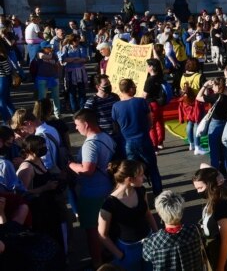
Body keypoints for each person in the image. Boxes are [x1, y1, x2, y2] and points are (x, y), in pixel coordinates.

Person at [70, 108, 116, 269]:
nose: (75, 128)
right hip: (107, 189)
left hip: (92, 193)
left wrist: (71, 165)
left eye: (77, 125)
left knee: (92, 230)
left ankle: (97, 263)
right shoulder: (105, 137)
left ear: (86, 124)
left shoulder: (90, 145)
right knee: (107, 227)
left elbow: (87, 170)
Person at [98, 160, 158, 271]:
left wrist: (157, 234)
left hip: (150, 244)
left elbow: (148, 214)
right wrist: (120, 255)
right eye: (140, 175)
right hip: (128, 250)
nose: (144, 177)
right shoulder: (109, 204)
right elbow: (102, 235)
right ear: (130, 180)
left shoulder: (141, 191)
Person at [111, 78, 163, 195]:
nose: (135, 88)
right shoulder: (141, 102)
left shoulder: (116, 106)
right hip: (143, 139)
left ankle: (136, 196)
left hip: (127, 143)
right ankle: (158, 194)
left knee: (132, 171)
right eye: (134, 86)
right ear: (130, 89)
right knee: (153, 169)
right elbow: (150, 120)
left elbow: (116, 127)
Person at [15, 135, 63, 249]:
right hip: (39, 212)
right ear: (31, 149)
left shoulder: (39, 160)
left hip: (49, 207)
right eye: (40, 146)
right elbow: (22, 193)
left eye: (43, 145)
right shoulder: (26, 167)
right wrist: (45, 187)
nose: (44, 148)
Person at [142, 190, 207, 271]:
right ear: (181, 211)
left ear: (159, 213)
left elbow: (146, 257)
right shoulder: (195, 231)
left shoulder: (153, 241)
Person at [193, 167, 227, 271]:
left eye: (200, 188)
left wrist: (220, 267)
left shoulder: (222, 204)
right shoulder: (213, 199)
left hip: (221, 255)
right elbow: (203, 165)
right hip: (213, 252)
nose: (198, 192)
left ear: (210, 185)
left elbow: (226, 240)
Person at [197, 77, 227, 172]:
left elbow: (198, 97)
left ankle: (215, 174)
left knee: (214, 152)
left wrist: (204, 86)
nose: (212, 88)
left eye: (213, 86)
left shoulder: (216, 97)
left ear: (217, 86)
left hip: (216, 124)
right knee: (226, 151)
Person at [84, 74, 121, 141]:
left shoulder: (115, 97)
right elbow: (87, 120)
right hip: (103, 136)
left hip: (117, 134)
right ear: (98, 87)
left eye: (109, 83)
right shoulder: (92, 101)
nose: (109, 86)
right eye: (106, 84)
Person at [143, 58, 167, 151]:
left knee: (151, 125)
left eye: (147, 66)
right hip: (160, 103)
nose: (146, 67)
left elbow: (145, 95)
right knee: (160, 123)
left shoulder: (150, 80)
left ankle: (154, 145)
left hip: (152, 105)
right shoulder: (161, 76)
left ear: (151, 67)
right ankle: (160, 142)